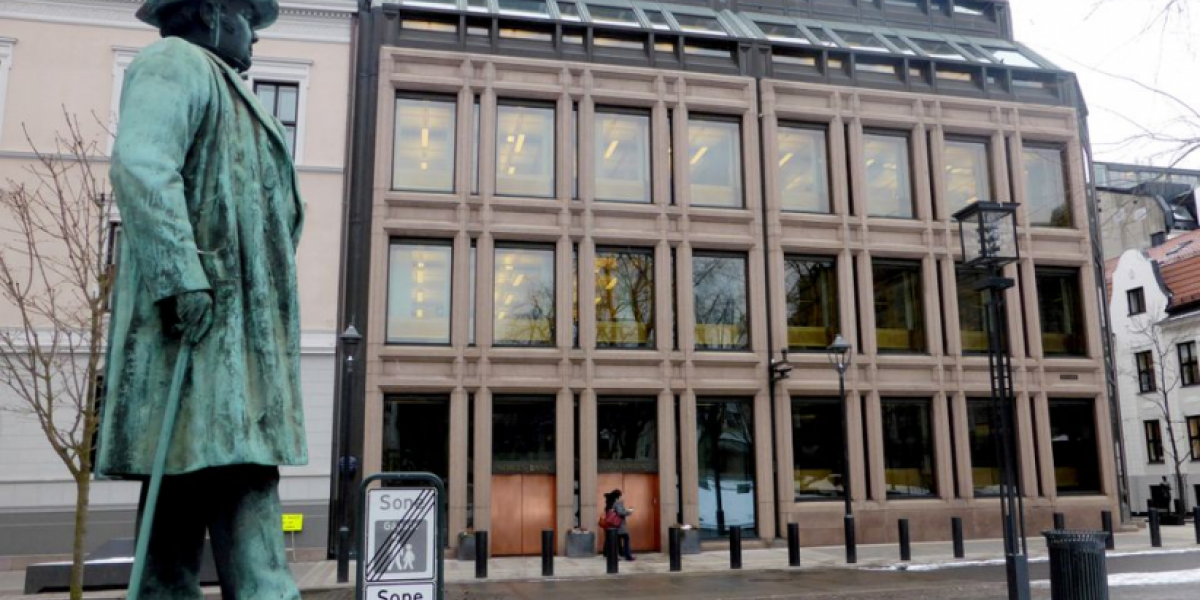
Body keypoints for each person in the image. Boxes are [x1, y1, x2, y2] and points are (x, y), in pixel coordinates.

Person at [96, 0, 306, 598]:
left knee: (185, 483)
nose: (254, 37)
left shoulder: (230, 91)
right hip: (206, 330)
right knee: (240, 478)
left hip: (235, 334)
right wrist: (181, 278)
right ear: (212, 11)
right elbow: (142, 166)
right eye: (248, 19)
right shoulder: (174, 61)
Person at [603, 489, 635, 561]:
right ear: (619, 496)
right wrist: (629, 511)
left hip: (612, 525)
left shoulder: (610, 501)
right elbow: (620, 512)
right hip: (619, 525)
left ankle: (614, 556)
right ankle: (628, 556)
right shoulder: (618, 503)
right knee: (626, 538)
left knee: (615, 541)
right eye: (621, 495)